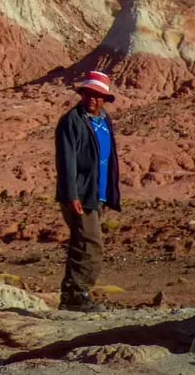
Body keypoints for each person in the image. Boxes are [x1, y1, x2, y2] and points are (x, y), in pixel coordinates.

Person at [54, 69, 121, 312]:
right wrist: (72, 195)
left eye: (97, 95)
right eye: (88, 93)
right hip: (80, 195)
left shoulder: (103, 119)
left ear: (104, 99)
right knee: (91, 245)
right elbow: (66, 161)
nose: (92, 98)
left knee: (81, 243)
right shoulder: (72, 121)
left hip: (96, 193)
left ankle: (72, 296)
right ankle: (76, 295)